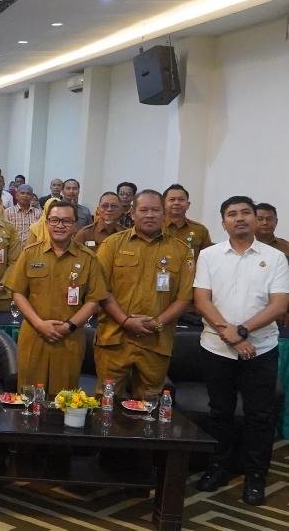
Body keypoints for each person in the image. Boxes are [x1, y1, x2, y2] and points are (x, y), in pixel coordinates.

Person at [192, 195, 289, 506]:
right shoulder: (209, 255)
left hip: (261, 349)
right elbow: (202, 300)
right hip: (216, 348)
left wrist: (243, 331)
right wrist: (232, 336)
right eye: (232, 214)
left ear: (255, 218)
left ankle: (255, 477)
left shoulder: (275, 257)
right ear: (224, 223)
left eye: (246, 212)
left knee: (259, 416)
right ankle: (218, 468)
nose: (240, 218)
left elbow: (279, 305)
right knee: (220, 412)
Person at [95, 190, 195, 398]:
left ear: (164, 214)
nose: (150, 215)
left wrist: (156, 323)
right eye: (144, 210)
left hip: (156, 342)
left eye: (156, 210)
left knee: (149, 403)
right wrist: (125, 321)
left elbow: (184, 297)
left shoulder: (181, 250)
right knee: (107, 400)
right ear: (132, 213)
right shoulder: (112, 244)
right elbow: (101, 289)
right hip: (115, 340)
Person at [7, 201, 107, 395]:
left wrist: (68, 326)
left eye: (66, 221)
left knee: (64, 398)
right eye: (54, 220)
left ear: (75, 225)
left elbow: (94, 300)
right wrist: (39, 324)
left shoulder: (88, 258)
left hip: (69, 338)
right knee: (28, 396)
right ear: (46, 223)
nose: (60, 225)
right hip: (34, 336)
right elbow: (17, 292)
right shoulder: (30, 253)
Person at [163, 184, 213, 258]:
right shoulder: (155, 227)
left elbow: (208, 258)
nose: (176, 203)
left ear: (188, 205)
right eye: (172, 199)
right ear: (163, 204)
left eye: (181, 199)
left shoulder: (200, 230)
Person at [5, 184, 42, 248]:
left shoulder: (39, 213)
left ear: (32, 197)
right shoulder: (7, 212)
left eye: (28, 194)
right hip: (13, 250)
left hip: (32, 250)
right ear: (16, 196)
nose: (25, 196)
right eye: (22, 193)